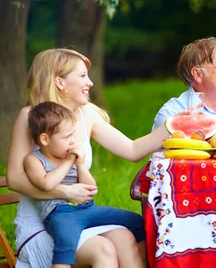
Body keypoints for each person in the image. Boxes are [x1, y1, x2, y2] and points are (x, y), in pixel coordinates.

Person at [7, 48, 171, 268]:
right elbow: (14, 180)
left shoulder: (87, 114)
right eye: (82, 76)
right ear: (60, 83)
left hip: (80, 217)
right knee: (104, 250)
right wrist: (63, 191)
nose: (90, 83)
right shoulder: (30, 117)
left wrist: (173, 126)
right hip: (39, 225)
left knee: (126, 238)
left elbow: (132, 150)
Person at [24, 102, 145, 268]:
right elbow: (46, 183)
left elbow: (91, 188)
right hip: (60, 213)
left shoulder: (71, 158)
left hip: (87, 209)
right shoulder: (34, 160)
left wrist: (80, 165)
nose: (72, 141)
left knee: (135, 221)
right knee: (66, 240)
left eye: (73, 135)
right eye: (66, 137)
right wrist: (68, 163)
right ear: (45, 139)